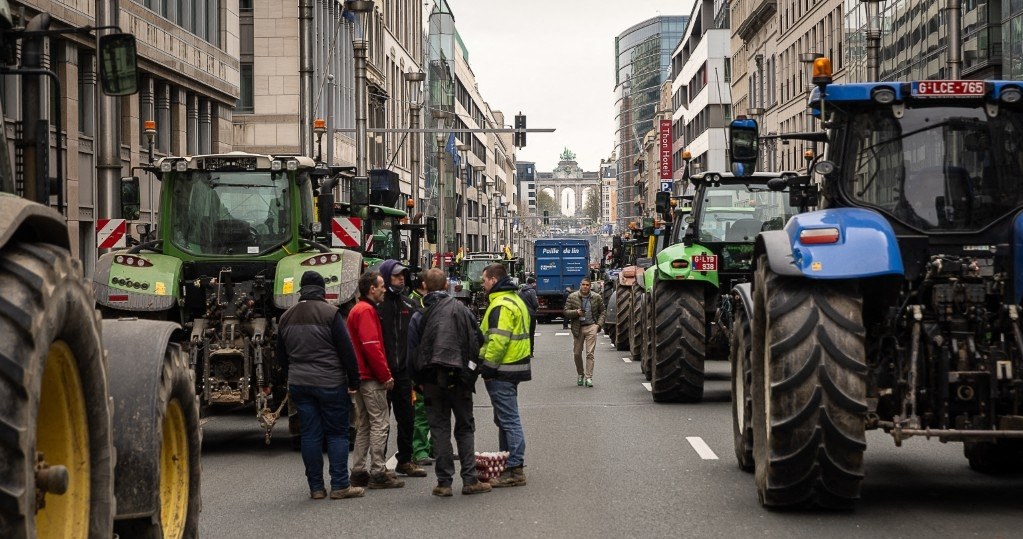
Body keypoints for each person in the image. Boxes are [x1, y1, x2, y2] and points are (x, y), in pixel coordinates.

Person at [277, 271, 364, 500]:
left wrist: (293, 374)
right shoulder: (330, 314)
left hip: (299, 384)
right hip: (330, 383)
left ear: (301, 290)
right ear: (322, 290)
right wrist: (353, 380)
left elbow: (281, 355)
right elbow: (347, 350)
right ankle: (339, 486)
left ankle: (316, 488)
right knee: (337, 434)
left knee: (310, 435)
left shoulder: (286, 317)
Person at [408, 269, 492, 497]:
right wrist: (471, 373)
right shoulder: (461, 310)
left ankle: (444, 482)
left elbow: (412, 352)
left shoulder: (420, 314)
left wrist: (418, 382)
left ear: (424, 285)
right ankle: (470, 480)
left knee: (439, 429)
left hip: (431, 379)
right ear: (446, 286)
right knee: (464, 428)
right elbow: (477, 341)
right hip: (460, 378)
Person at [346, 271, 405, 489]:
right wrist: (385, 375)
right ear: (372, 289)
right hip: (371, 378)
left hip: (360, 377)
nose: (384, 290)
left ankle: (359, 470)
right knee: (380, 423)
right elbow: (372, 347)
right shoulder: (367, 311)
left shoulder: (356, 310)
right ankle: (379, 471)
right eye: (381, 286)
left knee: (364, 425)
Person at [478, 263, 531, 487]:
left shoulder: (500, 305)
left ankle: (515, 469)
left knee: (509, 420)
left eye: (483, 281)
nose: (482, 285)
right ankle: (507, 462)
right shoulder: (516, 299)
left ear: (493, 280)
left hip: (503, 369)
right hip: (516, 365)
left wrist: (488, 368)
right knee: (504, 419)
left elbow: (498, 341)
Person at [377, 260, 427, 479]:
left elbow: (420, 340)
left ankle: (405, 460)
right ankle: (378, 464)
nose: (401, 279)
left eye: (403, 275)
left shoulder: (410, 305)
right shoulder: (376, 307)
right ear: (386, 277)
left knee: (407, 417)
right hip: (381, 373)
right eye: (397, 275)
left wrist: (418, 370)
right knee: (380, 421)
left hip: (405, 373)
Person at [406, 275, 434, 466]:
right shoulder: (413, 305)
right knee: (422, 412)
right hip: (423, 365)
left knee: (435, 411)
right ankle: (420, 450)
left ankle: (433, 447)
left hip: (430, 363)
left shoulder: (421, 303)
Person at [564, 278, 605, 387]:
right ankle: (580, 374)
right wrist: (576, 312)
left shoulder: (596, 297)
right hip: (578, 328)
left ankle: (589, 377)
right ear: (580, 285)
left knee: (590, 353)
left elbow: (603, 312)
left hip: (591, 326)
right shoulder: (572, 297)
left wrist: (598, 325)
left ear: (590, 286)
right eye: (583, 284)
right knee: (577, 353)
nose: (585, 286)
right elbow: (566, 312)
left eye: (587, 285)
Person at [517, 276, 539, 353]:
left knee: (523, 333)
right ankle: (530, 351)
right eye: (534, 283)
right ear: (532, 283)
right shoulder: (532, 291)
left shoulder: (520, 292)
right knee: (531, 333)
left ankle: (523, 350)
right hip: (531, 314)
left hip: (522, 315)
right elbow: (535, 304)